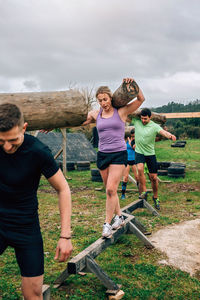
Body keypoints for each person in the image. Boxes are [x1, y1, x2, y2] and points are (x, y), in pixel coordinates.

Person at [0, 103, 73, 299]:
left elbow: (63, 188)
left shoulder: (38, 151)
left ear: (24, 128)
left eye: (13, 140)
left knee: (33, 293)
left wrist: (65, 236)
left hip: (25, 226)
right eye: (1, 141)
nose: (7, 147)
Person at [83, 78, 145, 238]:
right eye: (100, 100)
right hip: (102, 155)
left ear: (111, 98)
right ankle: (119, 217)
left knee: (111, 189)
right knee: (110, 191)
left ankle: (106, 225)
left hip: (118, 153)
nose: (103, 103)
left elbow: (141, 99)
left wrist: (133, 85)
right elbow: (83, 117)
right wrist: (51, 126)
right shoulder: (97, 114)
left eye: (105, 99)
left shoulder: (121, 111)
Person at [132, 108, 176, 210]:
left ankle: (155, 196)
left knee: (154, 178)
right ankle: (144, 191)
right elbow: (126, 114)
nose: (143, 120)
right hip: (139, 152)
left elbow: (163, 132)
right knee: (139, 169)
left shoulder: (154, 126)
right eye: (142, 118)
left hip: (150, 154)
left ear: (150, 117)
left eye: (145, 119)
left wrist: (170, 135)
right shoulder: (136, 121)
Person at [121, 129, 139, 200]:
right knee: (125, 178)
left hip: (134, 160)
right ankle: (123, 194)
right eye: (132, 136)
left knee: (137, 177)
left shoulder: (137, 141)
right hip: (127, 160)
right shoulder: (126, 140)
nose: (133, 137)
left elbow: (135, 149)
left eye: (134, 136)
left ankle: (140, 193)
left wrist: (131, 142)